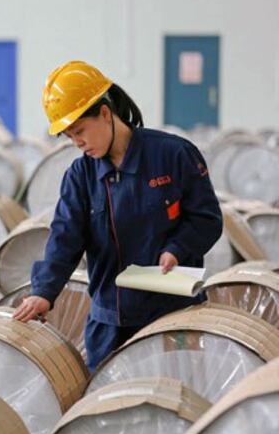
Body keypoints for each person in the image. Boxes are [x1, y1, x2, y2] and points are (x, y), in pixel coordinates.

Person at [12, 61, 223, 372]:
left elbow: (207, 218)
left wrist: (177, 248)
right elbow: (65, 238)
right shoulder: (80, 176)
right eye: (70, 136)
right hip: (110, 323)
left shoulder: (173, 155)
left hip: (173, 317)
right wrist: (44, 292)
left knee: (178, 405)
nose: (77, 143)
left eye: (80, 131)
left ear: (105, 113)